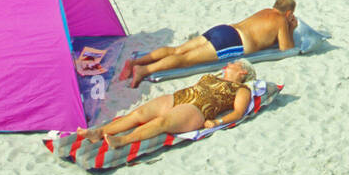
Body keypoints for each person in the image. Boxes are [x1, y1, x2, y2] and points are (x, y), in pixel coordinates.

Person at [121, 0, 298, 87]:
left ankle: (136, 62)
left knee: (178, 50)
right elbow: (286, 48)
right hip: (233, 42)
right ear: (288, 13)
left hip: (223, 29)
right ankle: (144, 70)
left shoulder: (266, 11)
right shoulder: (281, 21)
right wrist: (290, 27)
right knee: (185, 59)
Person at [80, 62, 256, 147]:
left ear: (243, 71)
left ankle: (123, 140)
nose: (229, 64)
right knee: (139, 113)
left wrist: (217, 122)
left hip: (198, 108)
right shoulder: (215, 75)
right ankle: (99, 132)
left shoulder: (241, 89)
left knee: (161, 122)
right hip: (180, 96)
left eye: (234, 63)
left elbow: (238, 113)